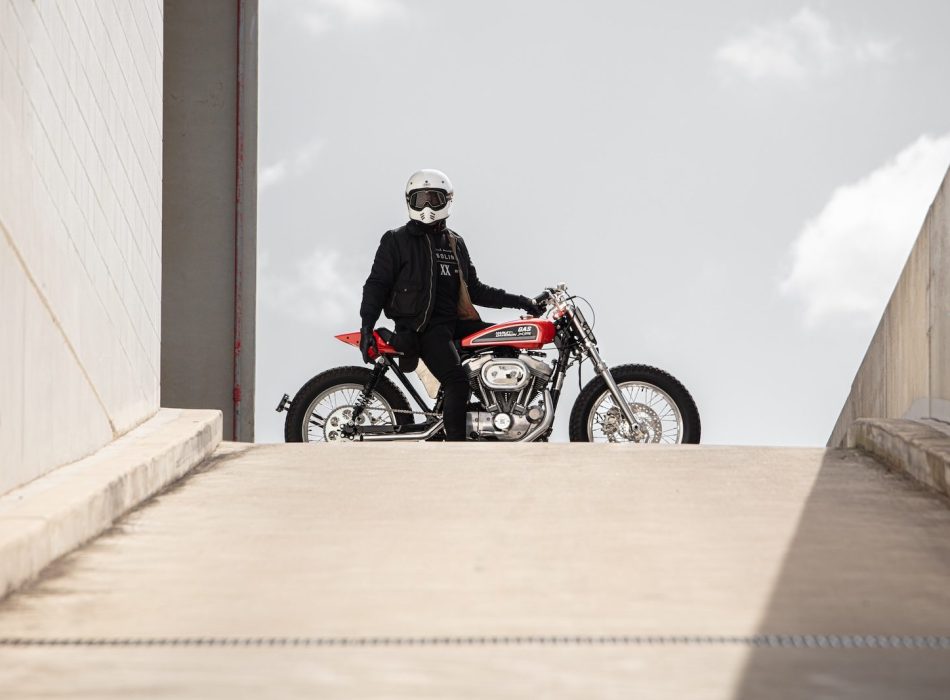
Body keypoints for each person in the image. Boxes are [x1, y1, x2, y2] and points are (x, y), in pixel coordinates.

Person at [359, 169, 541, 441]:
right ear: (409, 201)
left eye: (434, 198)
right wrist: (367, 326)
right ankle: (455, 448)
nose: (427, 206)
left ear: (447, 200)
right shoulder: (396, 240)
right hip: (422, 327)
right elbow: (377, 284)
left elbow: (476, 290)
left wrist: (523, 302)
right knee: (457, 382)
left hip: (454, 324)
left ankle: (498, 413)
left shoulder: (454, 242)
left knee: (508, 341)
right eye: (420, 199)